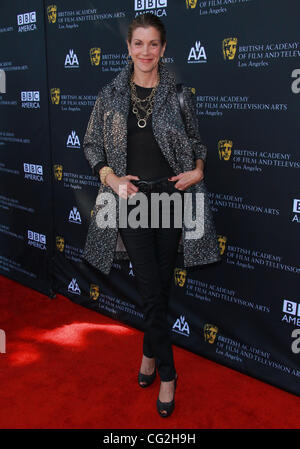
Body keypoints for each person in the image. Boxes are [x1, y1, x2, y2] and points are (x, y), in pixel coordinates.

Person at [83, 13, 221, 418]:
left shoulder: (179, 94)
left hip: (172, 200)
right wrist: (109, 178)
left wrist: (198, 169)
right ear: (128, 48)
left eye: (153, 44)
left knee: (159, 290)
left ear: (163, 49)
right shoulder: (110, 95)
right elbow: (92, 145)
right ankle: (168, 374)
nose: (146, 51)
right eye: (138, 43)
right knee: (148, 290)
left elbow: (198, 143)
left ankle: (147, 354)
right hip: (131, 202)